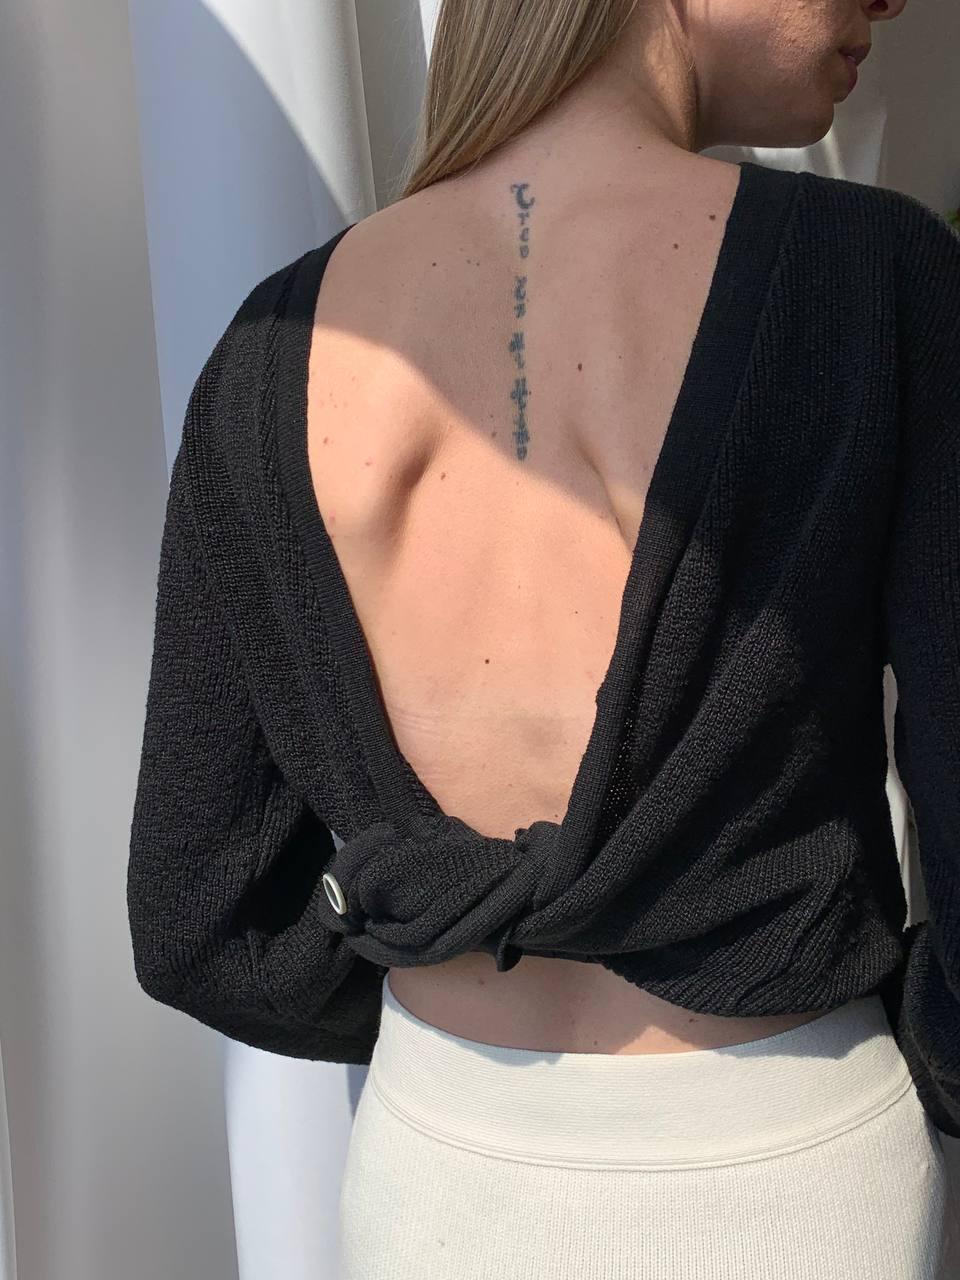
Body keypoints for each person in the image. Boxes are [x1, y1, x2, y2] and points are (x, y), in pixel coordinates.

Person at [127, 0, 960, 1274]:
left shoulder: (267, 351)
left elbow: (198, 915)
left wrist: (450, 991)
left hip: (436, 1166)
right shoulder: (878, 281)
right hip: (794, 1163)